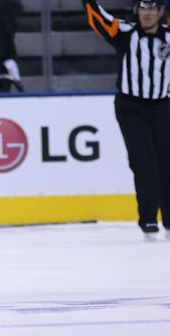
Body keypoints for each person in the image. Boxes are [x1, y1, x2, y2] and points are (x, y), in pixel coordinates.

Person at [83, 0, 170, 241]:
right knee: (144, 164)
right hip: (131, 107)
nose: (148, 14)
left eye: (153, 8)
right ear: (137, 11)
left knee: (167, 163)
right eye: (143, 8)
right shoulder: (124, 32)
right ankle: (149, 220)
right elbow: (96, 17)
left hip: (163, 106)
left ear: (161, 12)